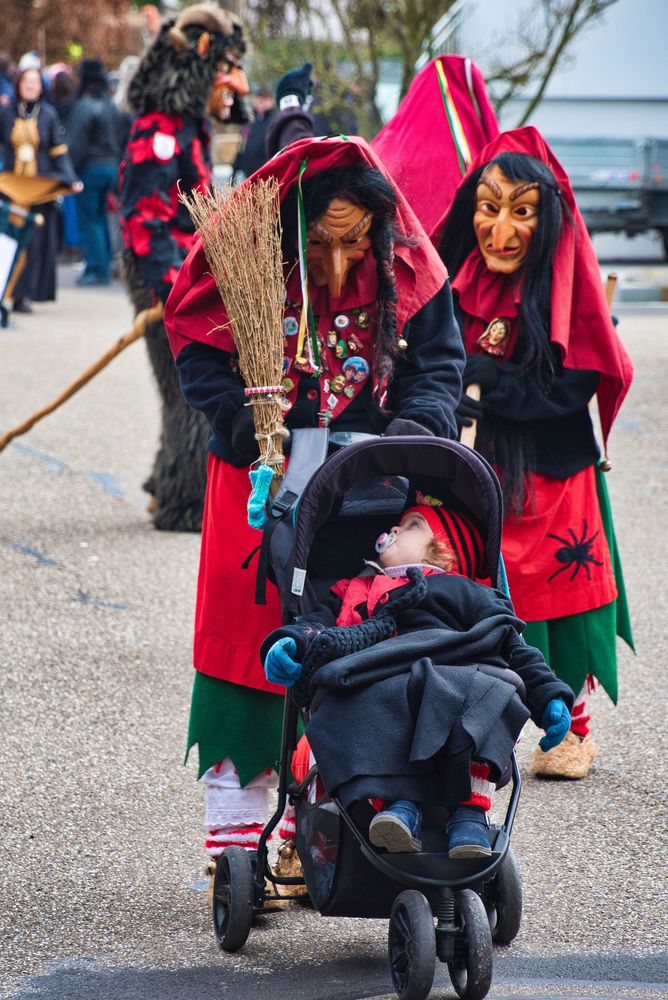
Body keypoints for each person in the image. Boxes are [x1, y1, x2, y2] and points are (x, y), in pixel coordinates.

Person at [163, 133, 466, 860]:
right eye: (322, 245)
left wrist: (414, 429)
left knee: (350, 642)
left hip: (364, 488)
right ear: (295, 227)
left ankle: (317, 833)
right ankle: (235, 841)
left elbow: (437, 365)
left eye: (355, 244)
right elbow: (198, 351)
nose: (337, 266)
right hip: (258, 482)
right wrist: (243, 421)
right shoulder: (250, 259)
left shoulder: (408, 270)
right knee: (249, 647)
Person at [436, 127, 634, 779]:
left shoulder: (567, 291)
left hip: (552, 471)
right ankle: (477, 723)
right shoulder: (450, 282)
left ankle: (570, 729)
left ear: (546, 217)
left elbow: (576, 381)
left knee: (560, 595)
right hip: (474, 468)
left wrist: (492, 386)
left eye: (521, 211)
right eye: (488, 207)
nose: (500, 229)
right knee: (473, 593)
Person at [262, 499, 574, 857]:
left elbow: (512, 644)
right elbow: (314, 627)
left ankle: (470, 814)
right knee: (363, 704)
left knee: (492, 694)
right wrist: (289, 644)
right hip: (383, 675)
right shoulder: (356, 590)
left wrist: (548, 696)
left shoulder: (463, 589)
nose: (393, 529)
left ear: (444, 551)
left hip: (457, 673)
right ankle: (398, 804)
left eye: (411, 525)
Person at [118, 4, 252, 532]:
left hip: (184, 275)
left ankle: (165, 479)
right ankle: (183, 501)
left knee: (184, 388)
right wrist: (168, 290)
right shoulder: (161, 129)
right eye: (226, 67)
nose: (234, 81)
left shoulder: (192, 125)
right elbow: (143, 220)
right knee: (187, 392)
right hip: (162, 278)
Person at [0, 66, 80, 311]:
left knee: (33, 244)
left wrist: (69, 179)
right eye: (27, 81)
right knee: (7, 241)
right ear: (19, 84)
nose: (31, 86)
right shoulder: (6, 113)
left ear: (41, 86)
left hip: (39, 188)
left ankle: (23, 295)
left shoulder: (48, 114)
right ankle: (5, 290)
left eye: (35, 82)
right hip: (12, 187)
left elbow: (59, 151)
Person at [66, 59, 123, 286]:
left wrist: (70, 172)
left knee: (90, 220)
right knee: (101, 218)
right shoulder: (111, 105)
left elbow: (76, 146)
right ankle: (103, 265)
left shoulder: (85, 106)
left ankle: (96, 269)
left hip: (91, 169)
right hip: (110, 167)